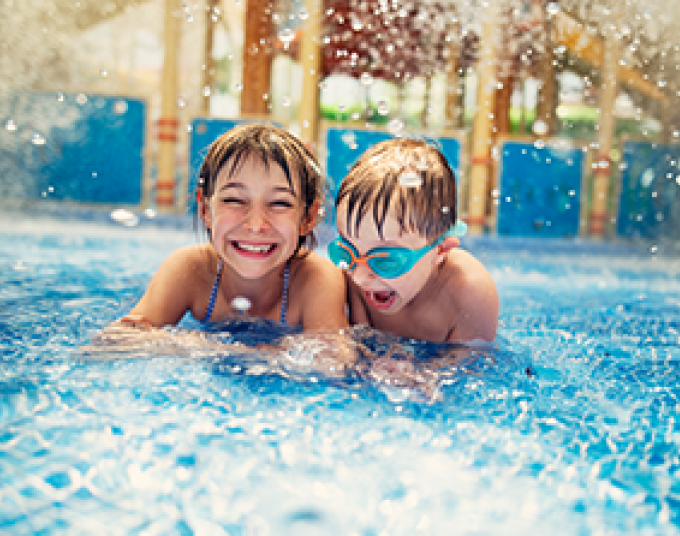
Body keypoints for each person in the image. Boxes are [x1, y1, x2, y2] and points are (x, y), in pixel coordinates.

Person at [120, 123, 348, 332]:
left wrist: (192, 347)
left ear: (308, 218)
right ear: (205, 210)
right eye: (234, 200)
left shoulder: (315, 279)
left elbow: (332, 361)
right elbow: (119, 340)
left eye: (280, 203)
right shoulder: (190, 271)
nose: (256, 225)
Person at [328, 137, 499, 343]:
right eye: (346, 251)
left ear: (441, 250)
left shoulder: (469, 294)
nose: (359, 277)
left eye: (386, 260)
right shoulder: (344, 276)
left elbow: (471, 368)